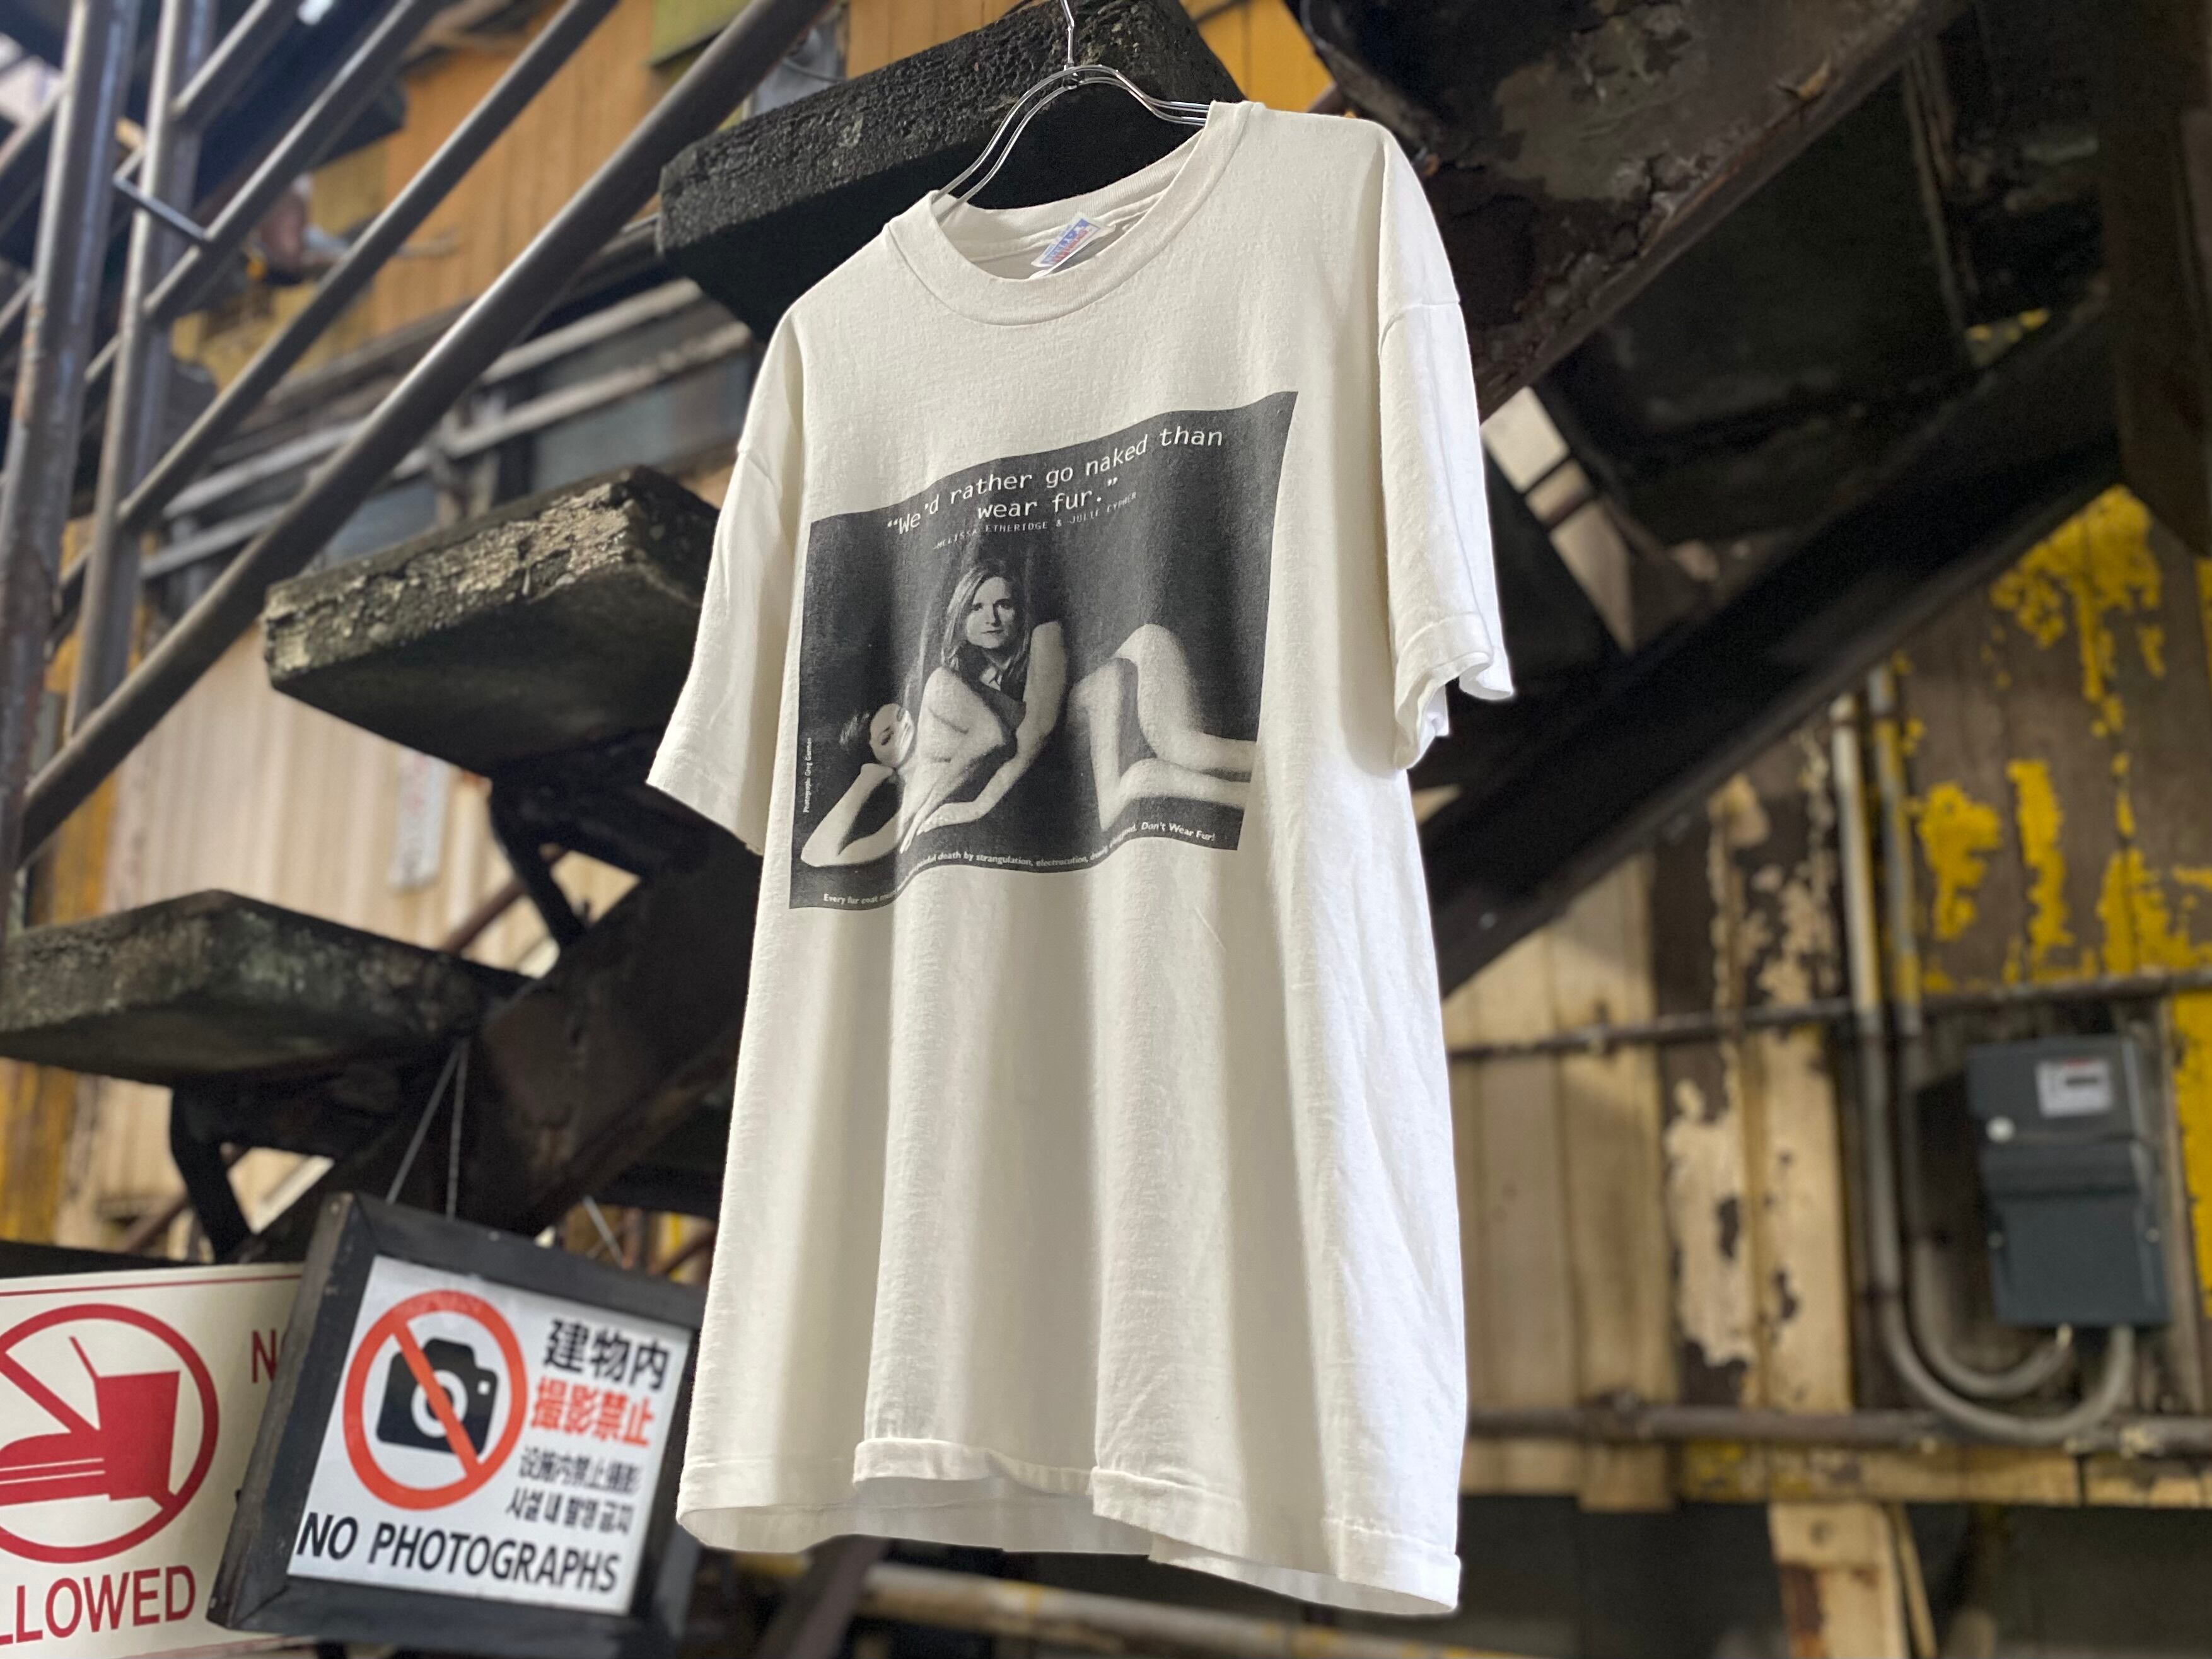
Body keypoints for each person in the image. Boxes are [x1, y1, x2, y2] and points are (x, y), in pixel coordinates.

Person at [900, 558, 1067, 845]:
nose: (992, 619)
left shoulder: (1046, 635)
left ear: (1021, 613)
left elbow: (1037, 730)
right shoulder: (973, 679)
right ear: (960, 619)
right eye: (977, 608)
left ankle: (912, 814)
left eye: (1004, 605)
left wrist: (975, 807)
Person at [1068, 622, 1252, 827]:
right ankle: (1250, 785)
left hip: (1141, 653)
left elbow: (1107, 683)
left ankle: (1263, 767)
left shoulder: (1085, 695)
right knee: (1181, 752)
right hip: (1138, 660)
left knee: (1184, 748)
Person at [798, 701, 919, 867]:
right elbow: (814, 855)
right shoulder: (912, 797)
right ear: (876, 760)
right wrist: (867, 779)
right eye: (887, 738)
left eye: (901, 715)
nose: (902, 728)